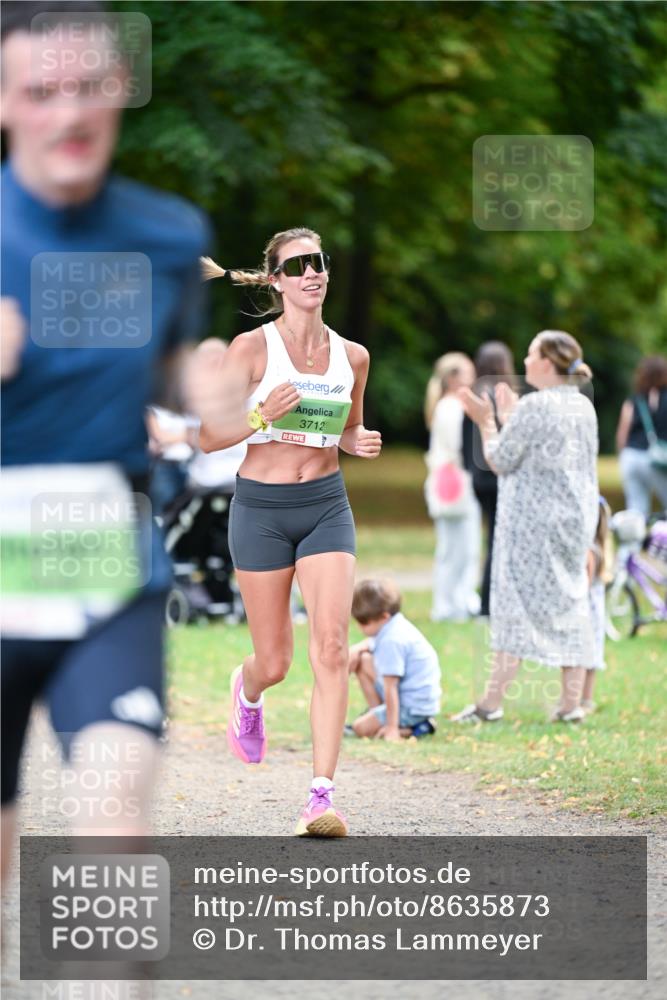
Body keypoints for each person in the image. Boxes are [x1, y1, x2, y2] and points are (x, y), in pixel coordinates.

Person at [1, 0, 210, 887]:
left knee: (116, 825)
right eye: (41, 90)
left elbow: (170, 382)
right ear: (6, 100)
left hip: (105, 561)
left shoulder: (168, 237)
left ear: (121, 89)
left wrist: (203, 388)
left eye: (89, 86)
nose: (69, 112)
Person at [193, 227, 382, 837]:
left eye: (319, 261)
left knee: (330, 648)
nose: (312, 273)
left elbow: (348, 429)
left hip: (327, 505)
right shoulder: (250, 348)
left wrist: (357, 440)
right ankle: (247, 693)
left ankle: (320, 798)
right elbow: (206, 436)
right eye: (297, 265)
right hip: (262, 511)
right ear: (275, 280)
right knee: (274, 661)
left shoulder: (353, 357)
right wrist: (257, 416)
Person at [452, 330, 599, 724]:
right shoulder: (582, 406)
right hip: (573, 523)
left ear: (548, 363)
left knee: (513, 606)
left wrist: (486, 421)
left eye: (532, 354)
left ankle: (490, 704)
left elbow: (500, 458)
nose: (526, 361)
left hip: (531, 527)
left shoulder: (537, 405)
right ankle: (571, 705)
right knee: (570, 603)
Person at [346, 579, 441, 740]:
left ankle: (413, 728)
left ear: (383, 617)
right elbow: (373, 643)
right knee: (363, 661)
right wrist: (358, 648)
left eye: (364, 622)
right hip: (413, 697)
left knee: (359, 728)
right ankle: (377, 714)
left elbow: (391, 688)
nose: (360, 627)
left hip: (412, 707)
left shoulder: (392, 641)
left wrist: (391, 728)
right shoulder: (393, 625)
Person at [424, 352, 481, 621]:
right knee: (457, 549)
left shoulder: (447, 406)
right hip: (455, 483)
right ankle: (451, 605)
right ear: (453, 378)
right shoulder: (451, 407)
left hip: (451, 482)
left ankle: (456, 602)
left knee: (459, 547)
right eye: (468, 372)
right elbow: (460, 447)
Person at [462, 341, 516, 617]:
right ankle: (490, 604)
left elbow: (464, 446)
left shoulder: (472, 395)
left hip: (478, 480)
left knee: (493, 538)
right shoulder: (501, 396)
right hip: (498, 477)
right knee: (500, 541)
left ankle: (488, 603)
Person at [616, 355, 667, 517]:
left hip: (631, 456)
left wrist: (622, 455)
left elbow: (623, 433)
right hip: (659, 459)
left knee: (636, 508)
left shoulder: (634, 399)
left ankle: (633, 541)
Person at [581, 497, 612, 715]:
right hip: (596, 617)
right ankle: (586, 699)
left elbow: (584, 584)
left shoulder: (589, 551)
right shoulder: (603, 548)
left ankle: (581, 699)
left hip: (586, 616)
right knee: (591, 660)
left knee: (582, 659)